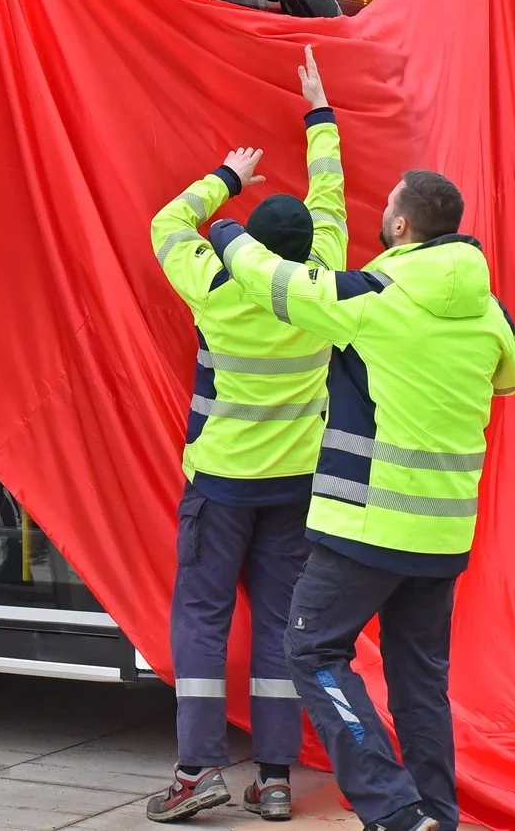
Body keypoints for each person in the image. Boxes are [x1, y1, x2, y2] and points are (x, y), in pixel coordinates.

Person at [207, 170, 515, 831]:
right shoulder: (488, 307)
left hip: (368, 522)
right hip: (442, 534)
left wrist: (226, 231)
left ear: (403, 226)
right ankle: (435, 815)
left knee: (312, 652)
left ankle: (393, 808)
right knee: (420, 683)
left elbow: (279, 283)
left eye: (387, 207)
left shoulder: (372, 297)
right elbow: (514, 373)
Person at [145, 46, 348, 823]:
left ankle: (197, 771)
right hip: (297, 487)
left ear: (253, 246)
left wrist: (228, 175)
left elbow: (168, 221)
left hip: (221, 483)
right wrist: (320, 114)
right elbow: (330, 198)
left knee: (200, 616)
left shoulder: (219, 285)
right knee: (278, 627)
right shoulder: (324, 282)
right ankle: (272, 780)